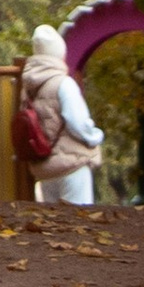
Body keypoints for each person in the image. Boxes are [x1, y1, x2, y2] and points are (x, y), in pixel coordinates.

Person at [17, 22, 104, 205]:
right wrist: (95, 136)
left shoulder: (27, 86)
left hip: (44, 166)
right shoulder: (64, 83)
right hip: (71, 165)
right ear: (59, 53)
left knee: (54, 224)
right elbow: (77, 123)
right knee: (79, 220)